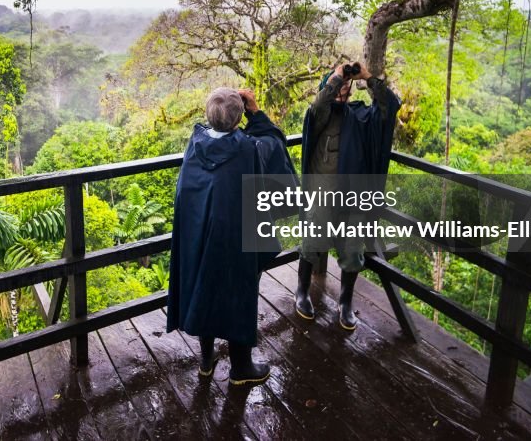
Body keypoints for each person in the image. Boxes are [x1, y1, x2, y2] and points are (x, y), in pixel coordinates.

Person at [166, 87, 294, 385]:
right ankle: (241, 368)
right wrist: (256, 111)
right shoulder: (248, 148)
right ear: (238, 118)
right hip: (236, 237)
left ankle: (206, 359)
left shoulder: (195, 143)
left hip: (199, 234)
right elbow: (275, 142)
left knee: (203, 285)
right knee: (239, 293)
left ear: (208, 115)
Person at [296, 62, 401, 330]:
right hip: (322, 191)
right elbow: (317, 107)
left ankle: (344, 303)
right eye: (337, 85)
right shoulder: (321, 114)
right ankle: (302, 292)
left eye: (346, 85)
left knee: (353, 250)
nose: (342, 89)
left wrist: (367, 77)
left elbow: (390, 106)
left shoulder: (361, 116)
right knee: (311, 242)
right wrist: (335, 79)